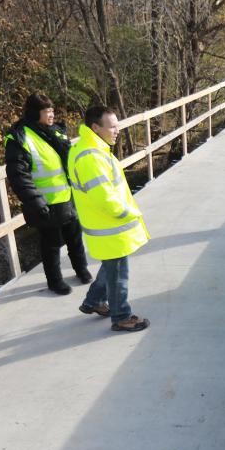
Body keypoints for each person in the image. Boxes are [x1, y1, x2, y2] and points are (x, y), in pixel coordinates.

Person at [68, 106, 151, 333]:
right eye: (112, 126)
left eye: (117, 124)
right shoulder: (90, 156)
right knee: (118, 274)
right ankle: (122, 317)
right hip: (109, 225)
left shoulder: (92, 148)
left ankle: (93, 301)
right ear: (96, 127)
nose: (117, 130)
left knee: (112, 266)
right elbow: (104, 197)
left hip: (106, 226)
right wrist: (129, 212)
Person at [4, 93, 91, 295]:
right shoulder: (20, 137)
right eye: (47, 111)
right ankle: (55, 281)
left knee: (75, 239)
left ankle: (81, 270)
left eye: (52, 110)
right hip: (45, 202)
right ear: (36, 113)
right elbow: (18, 174)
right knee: (51, 246)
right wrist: (34, 200)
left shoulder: (55, 132)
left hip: (67, 196)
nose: (51, 114)